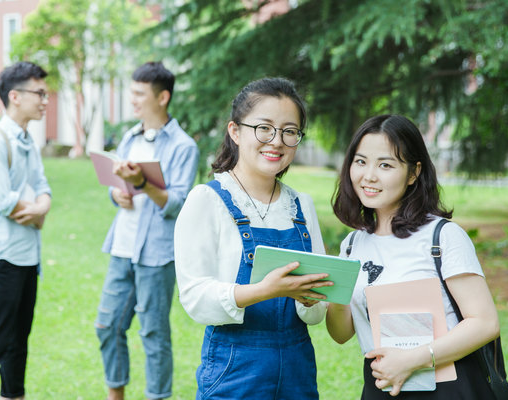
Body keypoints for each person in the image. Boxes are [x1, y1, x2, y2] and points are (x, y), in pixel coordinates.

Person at [174, 77, 333, 399]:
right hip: (235, 367)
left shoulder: (301, 205)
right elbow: (194, 298)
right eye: (264, 128)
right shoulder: (207, 200)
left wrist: (309, 299)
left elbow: (317, 312)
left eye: (290, 131)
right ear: (235, 131)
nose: (276, 141)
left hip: (298, 366)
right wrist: (263, 291)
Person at [326, 114, 500, 399]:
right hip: (381, 386)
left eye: (385, 164)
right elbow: (341, 333)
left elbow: (485, 323)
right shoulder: (352, 244)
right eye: (360, 161)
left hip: (445, 387)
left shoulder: (442, 236)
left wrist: (413, 359)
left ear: (413, 172)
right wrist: (330, 290)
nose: (369, 175)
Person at [95, 61, 199, 400]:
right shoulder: (130, 136)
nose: (133, 100)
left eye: (140, 94)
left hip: (156, 254)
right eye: (132, 92)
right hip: (121, 248)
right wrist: (117, 192)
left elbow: (178, 204)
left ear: (163, 97)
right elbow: (117, 186)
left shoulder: (183, 146)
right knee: (107, 326)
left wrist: (143, 183)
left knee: (154, 334)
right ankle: (116, 395)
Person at [0, 61, 52, 400]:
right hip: (1, 258)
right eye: (40, 93)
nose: (45, 100)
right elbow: (2, 200)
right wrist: (38, 212)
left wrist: (40, 209)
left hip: (27, 256)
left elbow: (42, 186)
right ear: (14, 96)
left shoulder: (26, 139)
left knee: (18, 345)